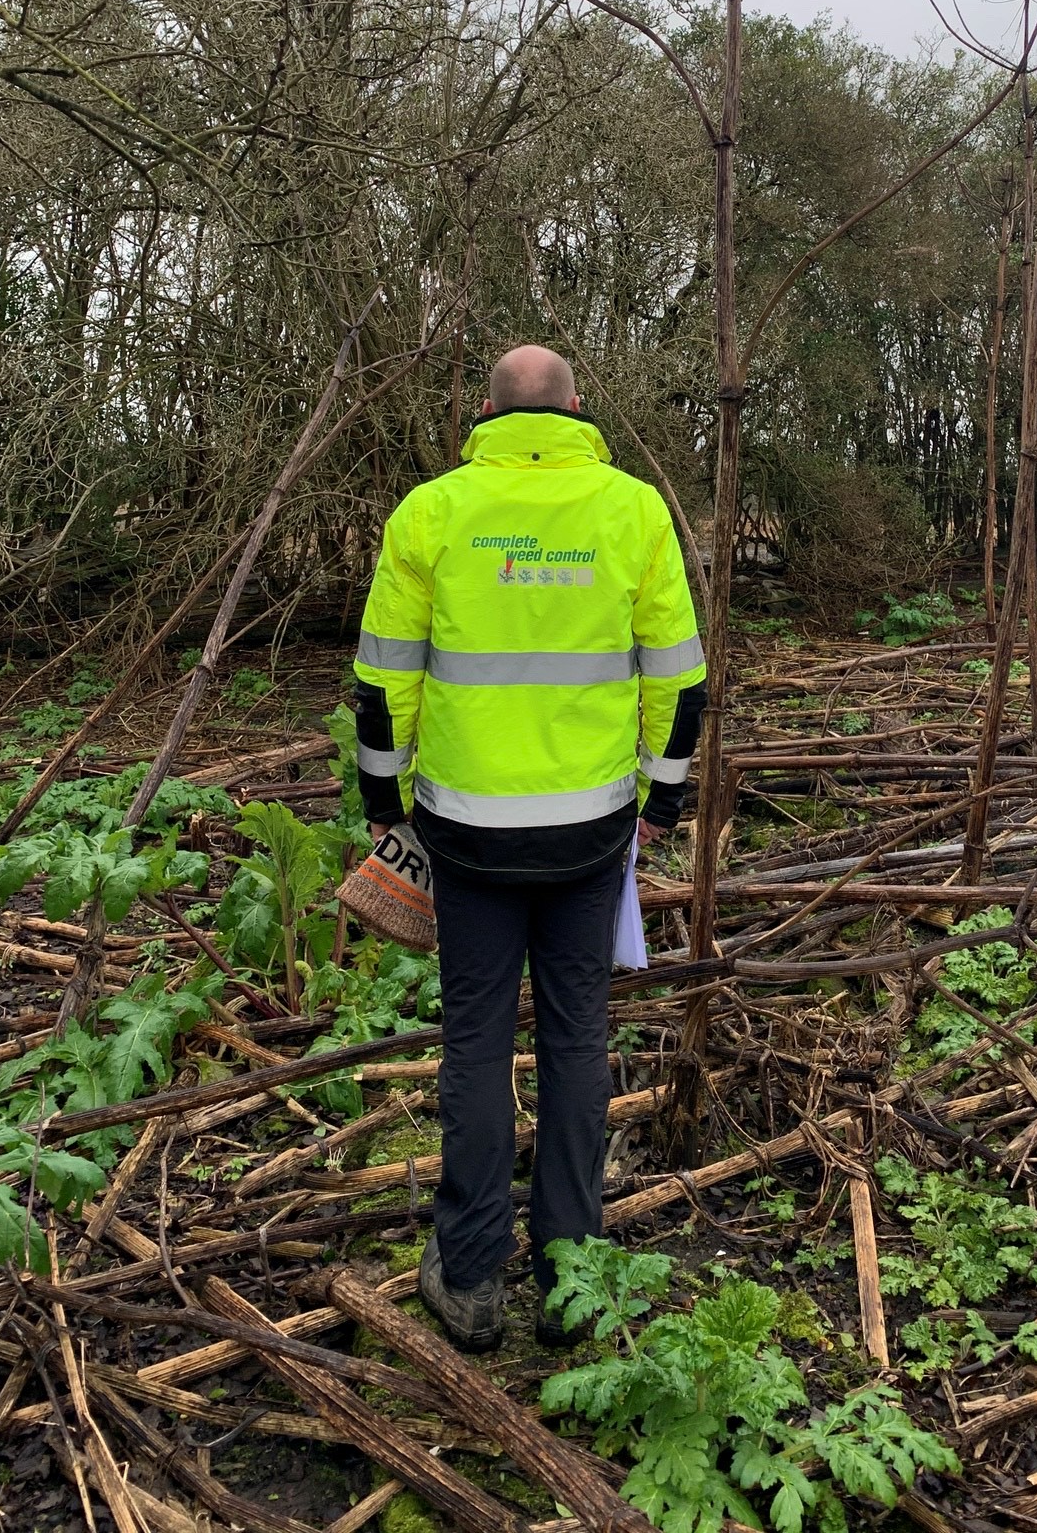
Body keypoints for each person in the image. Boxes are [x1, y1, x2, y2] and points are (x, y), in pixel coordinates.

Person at [344, 344, 706, 1351]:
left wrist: (386, 798)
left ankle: (467, 1275)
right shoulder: (632, 511)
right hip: (591, 831)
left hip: (464, 833)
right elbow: (681, 682)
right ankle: (572, 1273)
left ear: (485, 411)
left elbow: (381, 684)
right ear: (577, 408)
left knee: (473, 1040)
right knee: (577, 1038)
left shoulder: (431, 511)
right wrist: (661, 806)